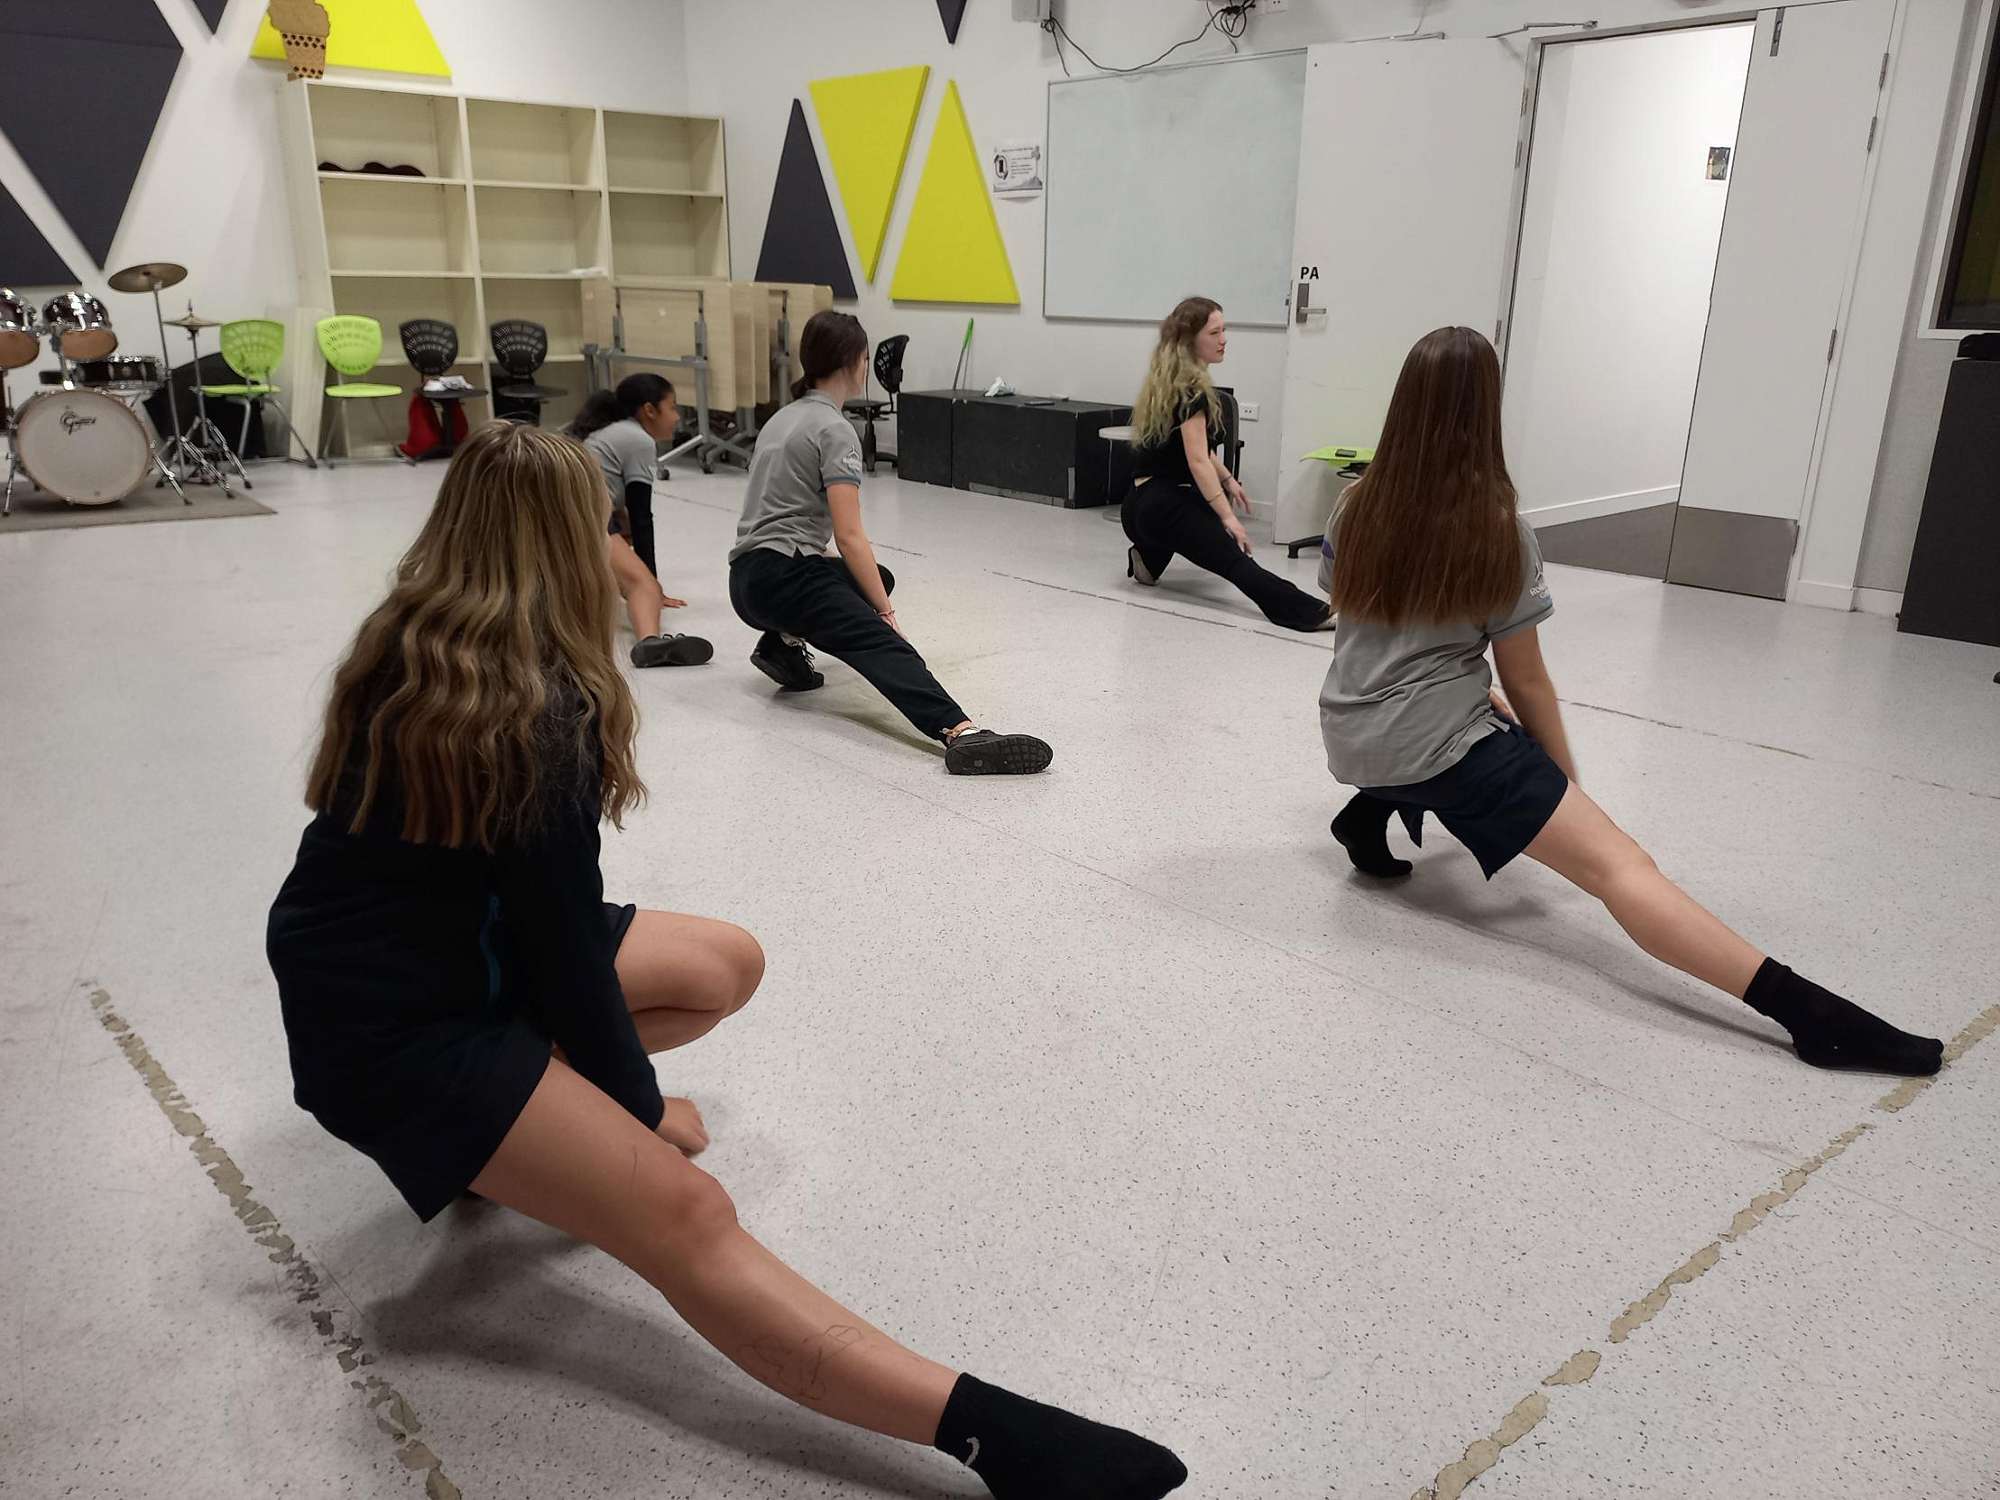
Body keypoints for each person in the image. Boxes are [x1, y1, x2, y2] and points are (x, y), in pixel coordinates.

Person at [266, 422, 1187, 1500]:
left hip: (449, 946)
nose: (617, 543)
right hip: (395, 1027)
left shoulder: (420, 632)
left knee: (722, 965)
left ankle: (512, 1132)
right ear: (565, 542)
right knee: (690, 1217)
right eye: (603, 525)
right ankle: (990, 1437)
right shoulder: (527, 706)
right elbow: (567, 959)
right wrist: (634, 1114)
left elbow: (539, 920)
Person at [1318, 328, 1943, 1077]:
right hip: (1431, 746)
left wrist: (1458, 689)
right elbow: (1528, 680)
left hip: (1346, 728)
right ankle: (1811, 1017)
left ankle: (1369, 809)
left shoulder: (1353, 506)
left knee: (1474, 721)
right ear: (1487, 409)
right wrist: (1565, 785)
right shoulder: (1498, 531)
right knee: (1623, 866)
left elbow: (1357, 620)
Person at [729, 310, 1054, 777]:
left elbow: (782, 518)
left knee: (876, 578)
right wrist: (884, 614)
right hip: (786, 579)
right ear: (852, 362)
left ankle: (780, 645)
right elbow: (849, 536)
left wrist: (863, 587)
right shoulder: (834, 429)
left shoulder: (782, 418)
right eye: (865, 358)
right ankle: (960, 733)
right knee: (879, 639)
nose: (866, 367)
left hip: (746, 583)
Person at [1122, 297, 1332, 633]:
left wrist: (1228, 479)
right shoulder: (1193, 391)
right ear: (1191, 340)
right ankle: (1312, 613)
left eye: (1224, 330)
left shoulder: (1168, 380)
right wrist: (1229, 518)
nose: (1224, 339)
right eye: (1214, 333)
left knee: (1190, 516)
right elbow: (1197, 461)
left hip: (1135, 508)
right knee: (1235, 559)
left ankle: (1147, 557)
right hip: (1161, 508)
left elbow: (1197, 451)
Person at [568, 374, 711, 670]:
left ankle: (610, 582)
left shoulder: (610, 431)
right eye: (672, 407)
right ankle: (650, 641)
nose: (677, 417)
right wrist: (652, 582)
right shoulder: (638, 440)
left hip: (569, 510)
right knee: (641, 585)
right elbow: (642, 515)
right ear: (649, 410)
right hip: (582, 514)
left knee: (623, 529)